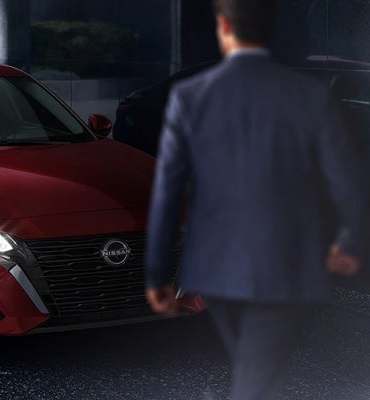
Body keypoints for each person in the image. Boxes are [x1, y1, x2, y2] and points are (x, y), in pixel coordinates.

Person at [144, 0, 369, 399]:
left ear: (224, 26)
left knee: (256, 365)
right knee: (260, 369)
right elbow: (348, 182)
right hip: (285, 262)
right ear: (268, 29)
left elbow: (167, 191)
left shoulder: (190, 95)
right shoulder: (309, 95)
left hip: (213, 266)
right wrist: (349, 243)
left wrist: (159, 274)